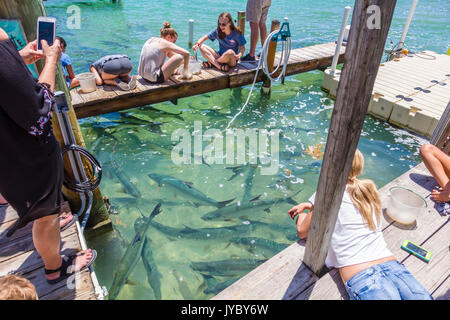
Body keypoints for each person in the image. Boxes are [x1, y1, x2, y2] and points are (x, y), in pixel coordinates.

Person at [0, 28, 96, 284]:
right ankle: (55, 267)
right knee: (44, 215)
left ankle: (46, 217)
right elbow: (39, 111)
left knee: (36, 206)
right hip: (23, 154)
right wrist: (51, 59)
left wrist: (17, 59)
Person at [288, 149, 433, 300]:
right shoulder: (368, 192)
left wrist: (303, 214)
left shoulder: (326, 194)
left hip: (364, 277)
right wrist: (313, 206)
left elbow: (302, 231)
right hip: (394, 268)